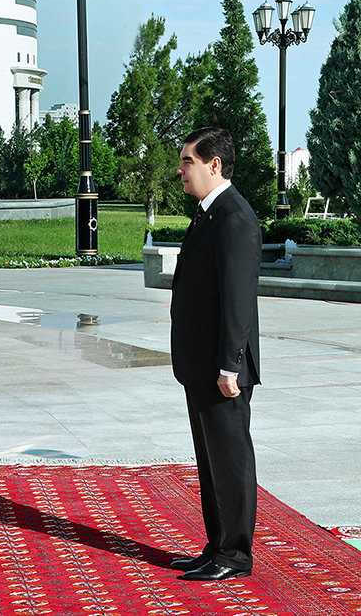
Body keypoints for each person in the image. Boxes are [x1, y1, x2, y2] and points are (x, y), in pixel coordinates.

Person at [169, 127, 261, 582]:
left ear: (214, 165)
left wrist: (231, 364)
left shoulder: (235, 218)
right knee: (210, 461)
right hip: (200, 364)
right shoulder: (208, 215)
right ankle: (217, 545)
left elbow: (238, 300)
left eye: (187, 161)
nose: (180, 170)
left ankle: (235, 555)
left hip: (223, 368)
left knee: (230, 459)